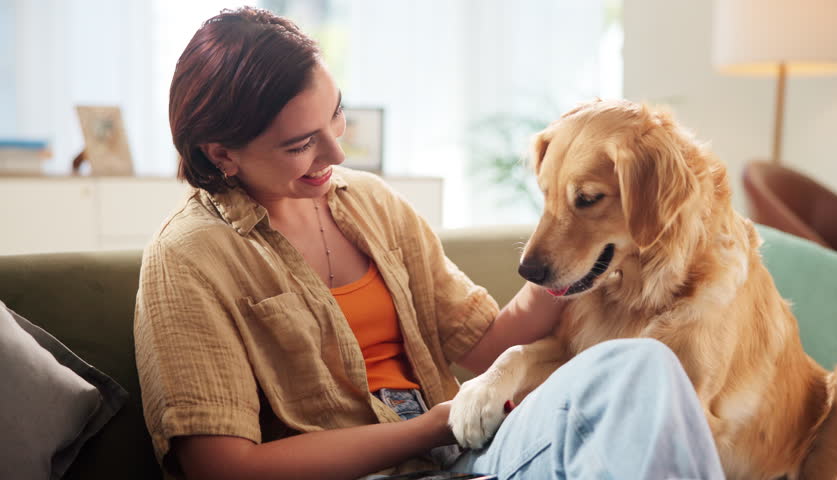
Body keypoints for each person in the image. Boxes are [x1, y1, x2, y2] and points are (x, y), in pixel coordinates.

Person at [134, 7, 725, 480]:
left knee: (642, 363)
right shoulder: (188, 259)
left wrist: (572, 252)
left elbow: (486, 342)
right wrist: (434, 427)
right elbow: (222, 468)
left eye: (336, 117)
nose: (337, 154)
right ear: (221, 153)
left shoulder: (368, 203)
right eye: (300, 145)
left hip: (466, 454)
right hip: (412, 457)